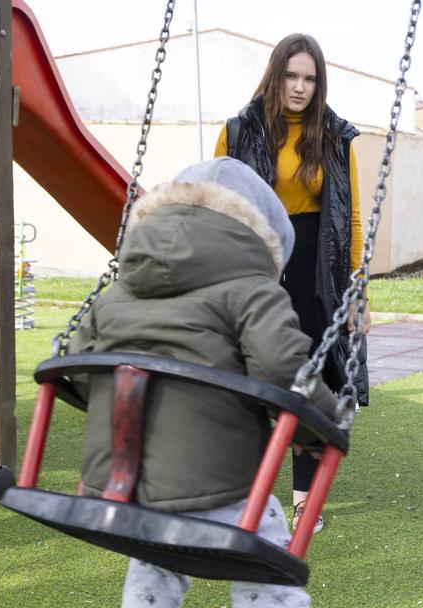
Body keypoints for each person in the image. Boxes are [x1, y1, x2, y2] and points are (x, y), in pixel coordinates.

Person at [69, 157, 339, 607]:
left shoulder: (118, 290)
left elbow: (77, 371)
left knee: (156, 553)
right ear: (264, 235)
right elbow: (281, 368)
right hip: (217, 490)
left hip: (118, 489)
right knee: (267, 552)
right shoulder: (252, 288)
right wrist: (323, 428)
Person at [215, 33, 369, 534]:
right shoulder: (238, 132)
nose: (300, 87)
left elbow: (354, 219)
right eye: (292, 75)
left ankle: (305, 503)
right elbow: (215, 203)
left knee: (312, 376)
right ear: (275, 74)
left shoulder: (335, 136)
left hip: (316, 271)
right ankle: (249, 495)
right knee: (252, 375)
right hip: (256, 263)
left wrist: (356, 290)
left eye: (310, 78)